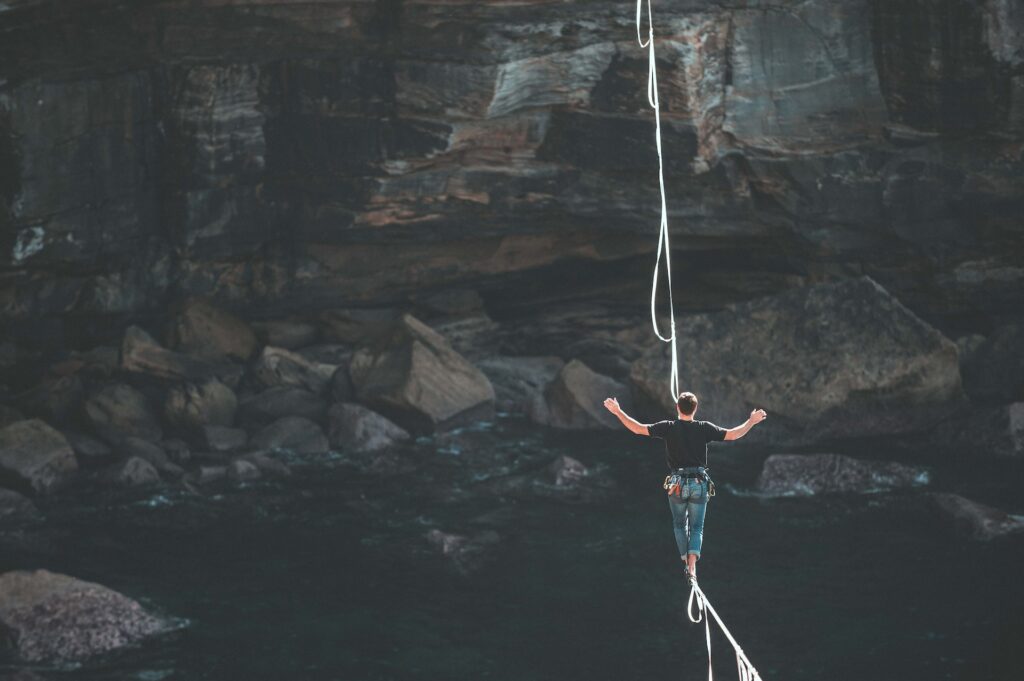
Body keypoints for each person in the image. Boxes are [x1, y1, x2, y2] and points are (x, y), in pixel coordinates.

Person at [603, 392, 766, 583]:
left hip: (677, 484)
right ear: (695, 409)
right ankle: (692, 567)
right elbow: (733, 434)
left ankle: (685, 562)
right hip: (698, 482)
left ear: (677, 408)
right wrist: (751, 421)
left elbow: (638, 428)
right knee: (697, 528)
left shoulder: (668, 427)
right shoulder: (704, 428)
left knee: (680, 525)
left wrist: (618, 412)